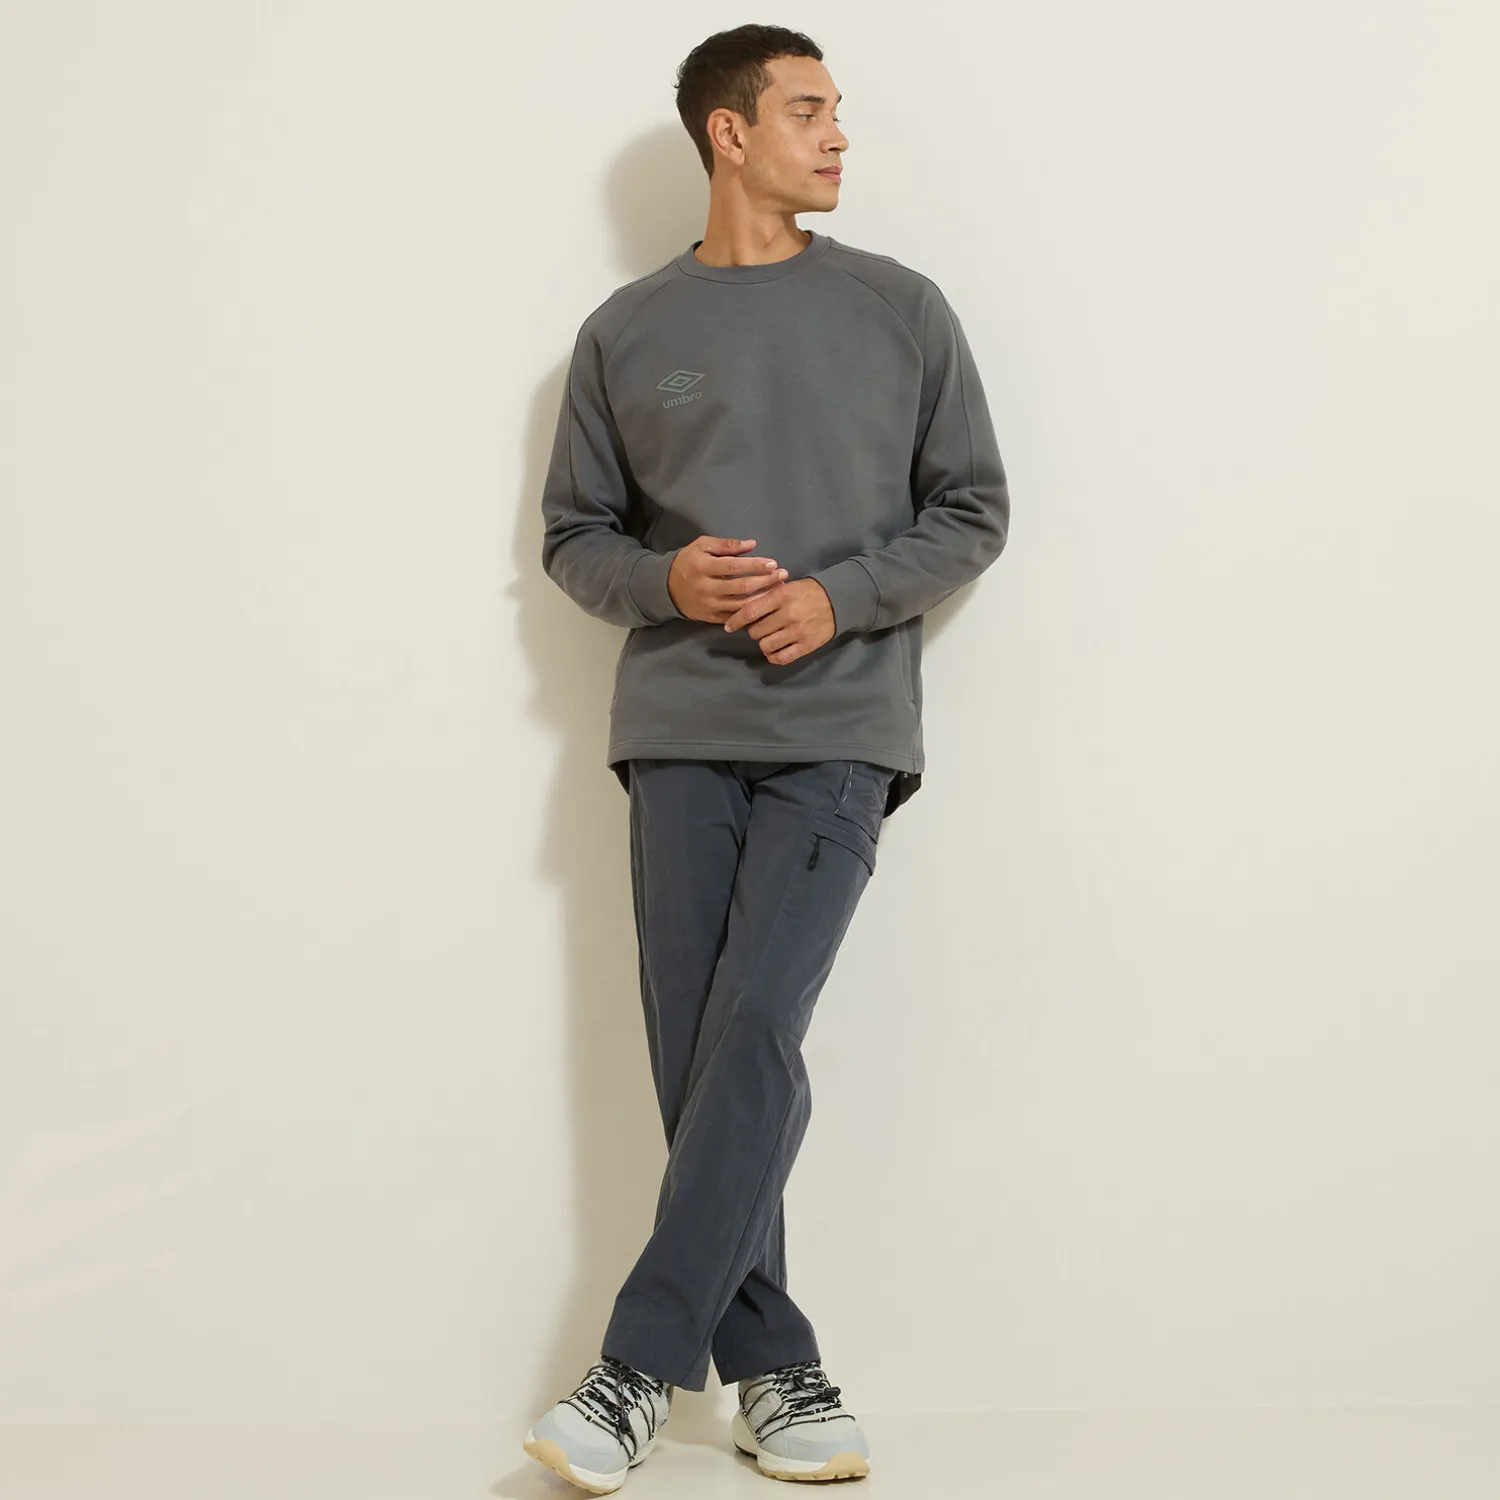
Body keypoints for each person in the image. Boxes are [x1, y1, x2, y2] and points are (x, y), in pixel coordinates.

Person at [524, 22, 1009, 1493]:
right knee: (703, 1057)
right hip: (676, 735)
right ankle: (778, 1371)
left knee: (750, 1036)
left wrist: (839, 598)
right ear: (727, 135)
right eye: (808, 110)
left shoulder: (901, 309)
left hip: (837, 733)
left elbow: (973, 509)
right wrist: (666, 582)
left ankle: (632, 1370)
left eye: (836, 109)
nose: (839, 133)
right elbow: (574, 539)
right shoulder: (626, 332)